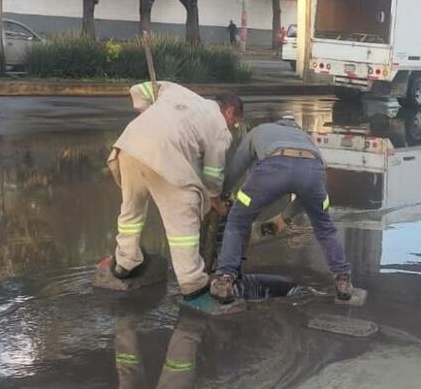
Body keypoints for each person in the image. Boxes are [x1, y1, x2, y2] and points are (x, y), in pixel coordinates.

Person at [108, 81, 243, 299]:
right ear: (229, 111)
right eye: (234, 123)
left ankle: (125, 261)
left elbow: (138, 89)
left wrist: (148, 113)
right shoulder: (218, 126)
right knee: (184, 214)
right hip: (164, 153)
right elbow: (212, 172)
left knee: (132, 209)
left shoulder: (178, 91)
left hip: (130, 145)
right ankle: (192, 280)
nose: (231, 127)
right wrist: (214, 200)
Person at [209, 115, 352, 303]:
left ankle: (224, 280)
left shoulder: (260, 131)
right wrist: (286, 216)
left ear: (275, 123)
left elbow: (237, 166)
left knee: (237, 220)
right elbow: (305, 191)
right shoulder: (306, 139)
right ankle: (343, 280)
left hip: (273, 168)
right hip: (313, 172)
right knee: (325, 227)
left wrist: (222, 194)